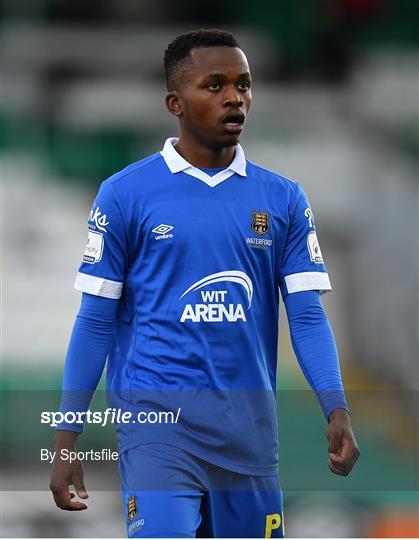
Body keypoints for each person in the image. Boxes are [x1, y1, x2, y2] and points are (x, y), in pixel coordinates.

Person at [49, 28, 360, 538]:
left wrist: (336, 406)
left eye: (243, 84)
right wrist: (67, 438)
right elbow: (95, 319)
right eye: (214, 85)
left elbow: (305, 314)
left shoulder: (282, 199)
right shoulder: (125, 193)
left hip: (249, 438)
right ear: (175, 101)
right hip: (156, 431)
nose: (234, 97)